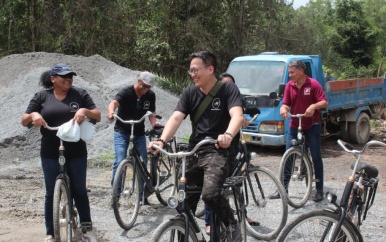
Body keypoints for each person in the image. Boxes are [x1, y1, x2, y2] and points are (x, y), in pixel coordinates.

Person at [148, 51, 244, 242]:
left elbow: (237, 116)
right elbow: (176, 117)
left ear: (210, 69)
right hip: (196, 150)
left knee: (210, 194)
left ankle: (232, 224)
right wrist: (162, 141)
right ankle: (188, 233)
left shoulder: (228, 90)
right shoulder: (189, 92)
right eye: (190, 70)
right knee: (181, 201)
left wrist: (227, 135)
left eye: (195, 69)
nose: (192, 74)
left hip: (220, 150)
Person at [21, 63, 101, 242]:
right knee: (51, 192)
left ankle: (86, 227)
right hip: (50, 150)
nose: (69, 79)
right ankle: (50, 232)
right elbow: (24, 119)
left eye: (71, 76)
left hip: (76, 150)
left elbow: (97, 115)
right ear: (53, 79)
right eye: (64, 76)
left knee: (79, 189)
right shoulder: (42, 96)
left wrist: (84, 110)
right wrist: (34, 115)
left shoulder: (80, 94)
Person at [203, 72, 257, 235]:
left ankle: (243, 214)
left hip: (233, 148)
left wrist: (242, 119)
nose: (229, 87)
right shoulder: (214, 102)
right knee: (213, 185)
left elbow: (237, 115)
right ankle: (209, 222)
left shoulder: (234, 99)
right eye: (225, 84)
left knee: (237, 183)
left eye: (231, 84)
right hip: (217, 150)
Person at [274, 59, 328, 202]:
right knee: (288, 155)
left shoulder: (313, 84)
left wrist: (313, 106)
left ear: (301, 71)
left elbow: (324, 102)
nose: (290, 75)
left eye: (292, 72)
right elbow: (285, 103)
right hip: (294, 123)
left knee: (316, 156)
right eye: (289, 72)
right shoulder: (289, 86)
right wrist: (283, 108)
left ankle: (319, 190)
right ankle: (282, 188)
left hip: (312, 124)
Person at [107, 71, 158, 205]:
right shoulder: (126, 92)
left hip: (139, 133)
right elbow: (113, 103)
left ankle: (142, 196)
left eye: (149, 87)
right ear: (139, 81)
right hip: (122, 131)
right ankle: (115, 196)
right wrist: (111, 112)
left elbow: (151, 112)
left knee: (142, 162)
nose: (146, 89)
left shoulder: (150, 95)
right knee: (119, 161)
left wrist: (153, 123)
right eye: (144, 86)